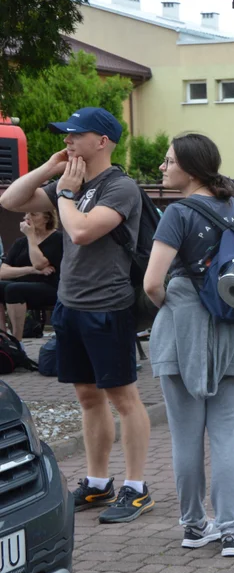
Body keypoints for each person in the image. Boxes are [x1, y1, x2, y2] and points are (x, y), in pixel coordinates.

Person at [0, 106, 152, 523]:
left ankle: (137, 488)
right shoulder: (70, 180)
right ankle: (98, 482)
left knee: (123, 397)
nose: (67, 140)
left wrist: (65, 195)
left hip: (108, 306)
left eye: (74, 135)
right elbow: (10, 200)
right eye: (64, 135)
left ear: (101, 141)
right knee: (87, 397)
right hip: (71, 305)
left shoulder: (120, 187)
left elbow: (83, 231)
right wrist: (51, 168)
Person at [143, 133, 234, 557]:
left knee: (185, 437)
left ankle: (195, 526)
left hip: (182, 338)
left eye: (168, 160)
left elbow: (152, 283)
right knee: (227, 435)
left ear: (190, 169)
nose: (162, 166)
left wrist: (174, 309)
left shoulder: (177, 212)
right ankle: (231, 530)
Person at [0, 210, 63, 340]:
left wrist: (30, 237)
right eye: (26, 214)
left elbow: (39, 263)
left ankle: (17, 341)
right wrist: (31, 270)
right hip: (24, 284)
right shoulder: (20, 242)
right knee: (5, 287)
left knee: (14, 290)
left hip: (51, 287)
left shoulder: (58, 239)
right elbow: (3, 272)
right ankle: (3, 337)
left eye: (34, 214)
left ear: (47, 218)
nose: (27, 217)